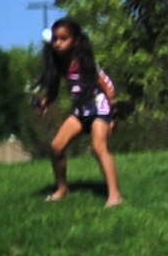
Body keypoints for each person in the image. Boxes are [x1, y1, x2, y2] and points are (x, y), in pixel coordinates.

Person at [35, 18, 123, 207]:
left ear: (74, 40)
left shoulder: (85, 62)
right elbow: (54, 90)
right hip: (81, 111)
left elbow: (108, 89)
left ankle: (115, 196)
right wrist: (45, 102)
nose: (57, 43)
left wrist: (114, 115)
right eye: (55, 39)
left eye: (63, 39)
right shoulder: (59, 62)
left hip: (100, 108)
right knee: (57, 147)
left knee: (98, 147)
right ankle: (62, 188)